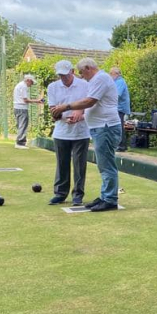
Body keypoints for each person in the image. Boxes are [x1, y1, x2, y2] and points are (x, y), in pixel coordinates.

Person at [50, 58, 121, 212]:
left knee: (107, 165)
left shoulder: (100, 78)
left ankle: (110, 199)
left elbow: (89, 101)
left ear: (88, 68)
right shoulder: (97, 79)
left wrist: (66, 106)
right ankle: (105, 196)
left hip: (105, 126)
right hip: (101, 127)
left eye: (82, 72)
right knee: (104, 165)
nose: (82, 76)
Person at [46, 60, 90, 206]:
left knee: (79, 165)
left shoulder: (85, 85)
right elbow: (54, 111)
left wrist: (80, 114)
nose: (63, 78)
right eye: (60, 75)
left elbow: (90, 105)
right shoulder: (52, 87)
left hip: (81, 131)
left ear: (72, 71)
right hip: (61, 131)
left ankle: (78, 194)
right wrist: (63, 115)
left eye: (65, 75)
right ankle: (60, 193)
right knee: (62, 164)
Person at [13, 74, 43, 149]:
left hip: (17, 108)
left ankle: (20, 142)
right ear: (28, 80)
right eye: (32, 82)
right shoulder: (24, 86)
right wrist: (37, 101)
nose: (32, 84)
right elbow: (25, 100)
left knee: (20, 125)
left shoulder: (19, 85)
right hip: (22, 108)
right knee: (23, 125)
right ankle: (20, 143)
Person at [110, 67, 131, 152]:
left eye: (111, 73)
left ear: (116, 74)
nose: (110, 75)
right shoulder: (116, 81)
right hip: (117, 107)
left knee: (119, 126)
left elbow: (117, 95)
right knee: (118, 126)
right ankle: (121, 145)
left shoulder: (120, 82)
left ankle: (121, 146)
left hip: (120, 108)